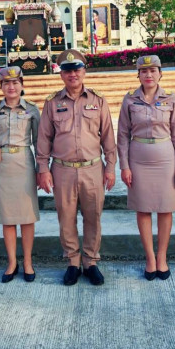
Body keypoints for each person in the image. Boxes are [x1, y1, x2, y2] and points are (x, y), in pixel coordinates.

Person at [36, 49, 117, 286]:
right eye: (67, 70)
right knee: (66, 218)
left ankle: (90, 262)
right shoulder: (52, 103)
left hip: (93, 169)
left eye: (77, 69)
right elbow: (44, 139)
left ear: (84, 71)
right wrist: (43, 169)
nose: (73, 74)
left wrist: (111, 167)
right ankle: (72, 262)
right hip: (63, 170)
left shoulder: (98, 100)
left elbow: (108, 137)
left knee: (93, 217)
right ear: (61, 74)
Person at [117, 55, 175, 280]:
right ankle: (150, 258)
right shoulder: (129, 99)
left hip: (165, 159)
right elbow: (123, 135)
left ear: (160, 73)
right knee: (143, 209)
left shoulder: (171, 98)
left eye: (153, 70)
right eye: (144, 71)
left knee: (166, 208)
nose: (148, 75)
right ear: (138, 75)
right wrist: (124, 166)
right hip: (138, 159)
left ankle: (162, 257)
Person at [0, 66, 40, 283]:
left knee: (27, 217)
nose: (11, 86)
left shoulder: (32, 109)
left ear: (22, 85)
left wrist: (42, 169)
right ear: (1, 86)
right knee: (7, 218)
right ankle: (12, 262)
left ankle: (28, 262)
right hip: (2, 164)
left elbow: (39, 143)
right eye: (6, 83)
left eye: (15, 82)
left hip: (25, 163)